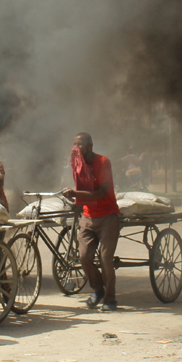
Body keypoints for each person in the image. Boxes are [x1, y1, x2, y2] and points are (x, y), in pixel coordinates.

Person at [63, 132, 121, 311]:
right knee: (84, 256)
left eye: (80, 144)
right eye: (74, 144)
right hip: (88, 217)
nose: (76, 148)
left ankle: (110, 299)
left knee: (105, 258)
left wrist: (75, 194)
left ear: (90, 146)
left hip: (107, 216)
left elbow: (102, 192)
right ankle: (98, 289)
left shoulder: (103, 162)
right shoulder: (77, 165)